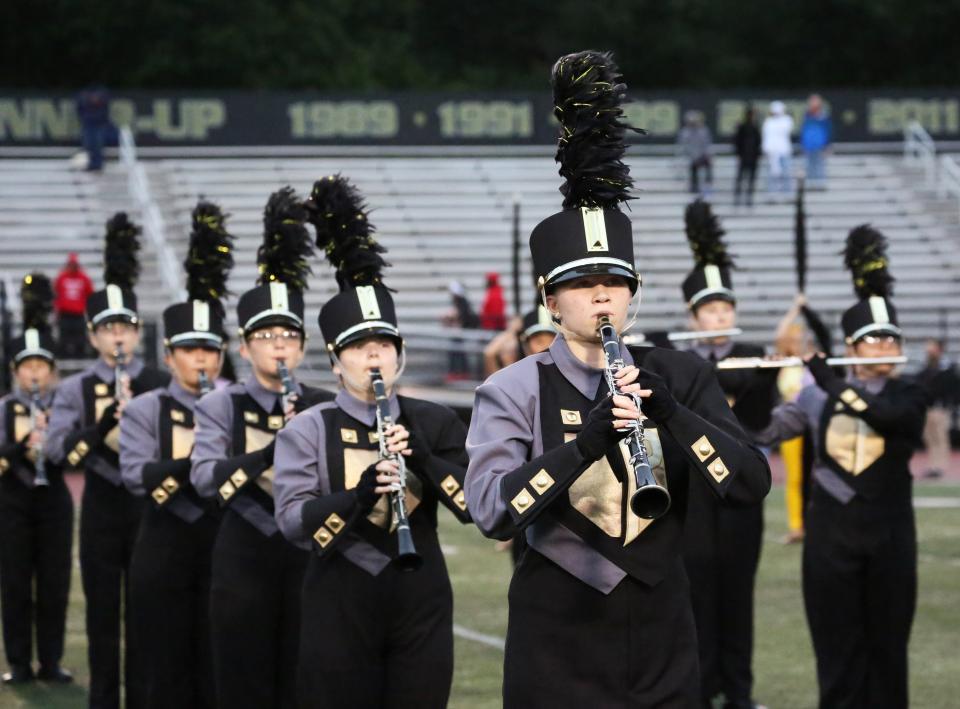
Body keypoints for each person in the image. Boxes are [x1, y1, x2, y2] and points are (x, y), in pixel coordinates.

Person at [464, 50, 771, 708]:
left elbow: (750, 484)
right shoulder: (513, 387)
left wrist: (675, 416)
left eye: (614, 284)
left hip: (663, 633)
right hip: (555, 641)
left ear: (633, 295)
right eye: (583, 285)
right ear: (551, 299)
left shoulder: (679, 373)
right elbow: (490, 511)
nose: (601, 299)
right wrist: (586, 442)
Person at [273, 174, 473, 708]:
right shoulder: (306, 428)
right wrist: (358, 498)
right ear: (336, 363)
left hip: (422, 595)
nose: (374, 356)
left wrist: (424, 459)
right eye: (359, 347)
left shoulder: (434, 419)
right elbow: (292, 522)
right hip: (339, 595)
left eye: (383, 342)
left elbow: (475, 507)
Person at [756, 226, 926, 709]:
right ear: (852, 346)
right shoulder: (814, 395)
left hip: (891, 535)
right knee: (836, 647)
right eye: (872, 340)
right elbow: (763, 433)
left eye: (889, 338)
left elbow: (888, 419)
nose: (882, 347)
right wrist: (750, 382)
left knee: (888, 647)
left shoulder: (909, 394)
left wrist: (832, 383)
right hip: (830, 535)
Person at [190, 188, 332, 709]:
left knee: (306, 679)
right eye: (266, 335)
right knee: (242, 679)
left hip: (311, 556)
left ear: (302, 346)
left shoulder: (323, 402)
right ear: (245, 347)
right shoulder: (221, 404)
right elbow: (205, 479)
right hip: (243, 555)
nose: (278, 345)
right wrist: (275, 450)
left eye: (288, 335)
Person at [45, 213, 170, 709]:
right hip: (99, 504)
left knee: (145, 614)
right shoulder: (77, 387)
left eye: (126, 327)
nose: (118, 336)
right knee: (101, 614)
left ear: (138, 333)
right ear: (93, 336)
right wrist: (100, 429)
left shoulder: (159, 383)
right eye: (108, 328)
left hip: (147, 507)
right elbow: (56, 450)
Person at [119, 201, 235, 708]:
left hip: (226, 545)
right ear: (168, 356)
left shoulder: (239, 401)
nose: (202, 358)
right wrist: (204, 460)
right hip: (164, 546)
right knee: (164, 668)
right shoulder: (147, 406)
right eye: (190, 349)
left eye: (210, 349)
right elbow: (134, 475)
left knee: (220, 666)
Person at [679, 199, 778, 709]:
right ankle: (699, 687)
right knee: (697, 594)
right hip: (694, 493)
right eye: (710, 311)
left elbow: (758, 423)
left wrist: (768, 372)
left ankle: (738, 692)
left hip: (740, 491)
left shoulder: (756, 359)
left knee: (738, 595)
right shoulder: (676, 362)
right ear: (693, 316)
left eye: (726, 309)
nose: (720, 318)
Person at [0, 274, 73, 685]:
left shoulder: (61, 405)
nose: (34, 373)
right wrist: (22, 445)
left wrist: (52, 438)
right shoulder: (5, 407)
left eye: (40, 365)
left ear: (51, 371)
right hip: (11, 503)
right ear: (16, 370)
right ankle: (19, 663)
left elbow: (70, 455)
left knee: (54, 585)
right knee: (14, 585)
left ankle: (51, 661)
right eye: (27, 365)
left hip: (54, 506)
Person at [917, 338, 959, 478]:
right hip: (927, 409)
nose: (928, 349)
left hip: (940, 408)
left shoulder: (947, 368)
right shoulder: (927, 367)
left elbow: (953, 389)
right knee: (929, 438)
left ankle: (940, 467)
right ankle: (932, 465)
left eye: (931, 346)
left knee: (941, 438)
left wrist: (949, 405)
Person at [54, 253, 94, 358]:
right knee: (64, 339)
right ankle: (64, 359)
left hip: (78, 314)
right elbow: (56, 294)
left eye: (74, 264)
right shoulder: (61, 277)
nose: (73, 266)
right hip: (65, 314)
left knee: (80, 339)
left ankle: (80, 359)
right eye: (71, 264)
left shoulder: (84, 278)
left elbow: (90, 295)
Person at [441, 280, 478, 381]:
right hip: (456, 332)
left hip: (459, 332)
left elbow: (462, 316)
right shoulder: (459, 302)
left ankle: (459, 372)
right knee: (456, 353)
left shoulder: (462, 302)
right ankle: (457, 371)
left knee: (458, 354)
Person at [800, 94, 832, 190]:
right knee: (809, 165)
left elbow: (828, 131)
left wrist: (828, 145)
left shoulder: (824, 116)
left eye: (815, 101)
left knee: (820, 165)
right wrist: (803, 144)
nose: (813, 103)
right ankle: (810, 184)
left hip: (820, 145)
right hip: (809, 145)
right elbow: (803, 131)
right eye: (812, 101)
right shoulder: (806, 116)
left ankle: (820, 184)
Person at [76, 86, 111, 173]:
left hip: (98, 125)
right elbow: (79, 110)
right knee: (89, 145)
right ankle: (91, 164)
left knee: (97, 145)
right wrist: (85, 118)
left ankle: (98, 165)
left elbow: (104, 114)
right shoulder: (85, 101)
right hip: (88, 125)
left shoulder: (102, 103)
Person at [678, 110, 713, 196]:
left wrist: (704, 155)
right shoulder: (685, 132)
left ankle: (708, 185)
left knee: (708, 165)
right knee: (693, 167)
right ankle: (694, 186)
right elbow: (684, 147)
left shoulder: (703, 131)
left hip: (702, 156)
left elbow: (706, 145)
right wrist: (693, 157)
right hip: (692, 158)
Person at [762, 100, 794, 194]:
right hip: (772, 151)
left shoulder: (787, 120)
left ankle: (787, 193)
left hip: (784, 150)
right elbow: (766, 136)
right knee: (771, 174)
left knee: (786, 172)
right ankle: (772, 193)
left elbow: (786, 130)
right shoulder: (768, 121)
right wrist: (766, 149)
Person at [733, 106, 762, 207]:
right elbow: (737, 142)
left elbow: (759, 142)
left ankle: (749, 198)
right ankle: (737, 197)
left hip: (753, 157)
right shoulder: (742, 127)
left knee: (751, 179)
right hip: (744, 157)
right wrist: (739, 154)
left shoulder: (756, 127)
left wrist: (758, 155)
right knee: (741, 178)